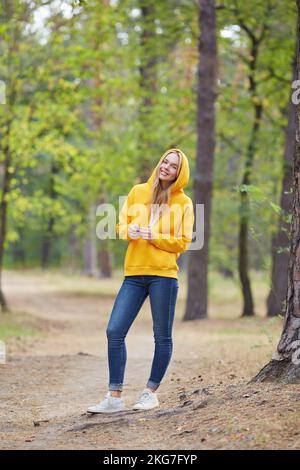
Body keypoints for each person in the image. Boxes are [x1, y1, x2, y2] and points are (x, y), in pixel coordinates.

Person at [87, 148, 194, 413]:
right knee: (114, 330)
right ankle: (114, 396)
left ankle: (150, 392)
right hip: (134, 273)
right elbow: (120, 226)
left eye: (173, 166)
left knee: (162, 336)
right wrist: (129, 231)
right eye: (165, 162)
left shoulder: (184, 203)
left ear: (180, 173)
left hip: (163, 276)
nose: (166, 167)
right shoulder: (137, 192)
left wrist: (152, 235)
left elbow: (182, 242)